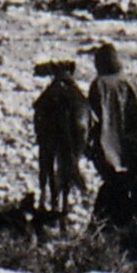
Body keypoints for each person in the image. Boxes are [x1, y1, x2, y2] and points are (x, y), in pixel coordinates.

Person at [84, 41, 137, 273]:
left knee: (107, 218)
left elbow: (97, 127)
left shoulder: (99, 86)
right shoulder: (130, 83)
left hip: (116, 165)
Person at [32, 58, 88, 214]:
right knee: (69, 160)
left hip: (47, 133)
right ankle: (64, 205)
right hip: (79, 128)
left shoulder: (48, 95)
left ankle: (45, 200)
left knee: (46, 154)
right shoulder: (77, 95)